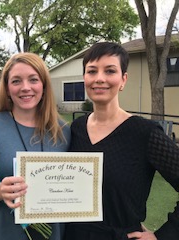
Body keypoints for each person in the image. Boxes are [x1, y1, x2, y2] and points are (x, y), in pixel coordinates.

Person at [64, 42, 179, 240]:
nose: (99, 78)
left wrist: (164, 235)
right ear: (84, 78)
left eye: (110, 71)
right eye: (92, 71)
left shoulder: (145, 133)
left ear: (123, 79)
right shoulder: (76, 129)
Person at [0, 52, 71, 240]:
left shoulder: (62, 131)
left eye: (33, 80)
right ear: (7, 88)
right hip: (0, 233)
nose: (25, 88)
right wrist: (0, 191)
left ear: (44, 85)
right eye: (16, 81)